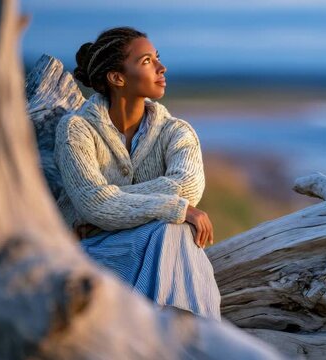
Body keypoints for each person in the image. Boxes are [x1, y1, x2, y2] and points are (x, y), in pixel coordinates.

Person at [53, 26, 221, 320]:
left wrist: (108, 204)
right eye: (146, 61)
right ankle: (197, 338)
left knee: (173, 230)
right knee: (176, 226)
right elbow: (95, 204)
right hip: (88, 258)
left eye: (157, 58)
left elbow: (189, 189)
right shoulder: (76, 130)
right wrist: (172, 207)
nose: (161, 67)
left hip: (155, 250)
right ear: (117, 78)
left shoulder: (176, 132)